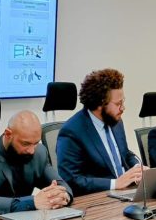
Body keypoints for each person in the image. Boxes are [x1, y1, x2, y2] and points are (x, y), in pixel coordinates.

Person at [56, 68, 144, 196]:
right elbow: (72, 180)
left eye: (123, 102)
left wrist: (137, 169)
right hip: (99, 199)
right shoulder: (72, 132)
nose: (123, 108)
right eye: (118, 104)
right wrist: (115, 183)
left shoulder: (116, 121)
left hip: (126, 193)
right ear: (99, 104)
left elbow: (125, 154)